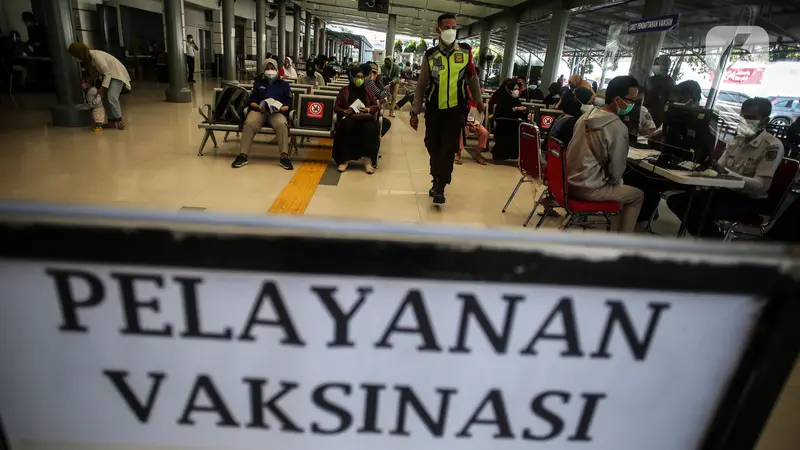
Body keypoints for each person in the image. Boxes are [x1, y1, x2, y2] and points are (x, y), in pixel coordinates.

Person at [666, 98, 784, 238]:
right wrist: (706, 168)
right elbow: (719, 167)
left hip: (748, 199)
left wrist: (727, 174)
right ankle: (711, 240)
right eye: (743, 116)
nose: (745, 121)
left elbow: (761, 185)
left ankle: (713, 244)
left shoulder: (772, 145)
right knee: (678, 201)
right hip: (724, 192)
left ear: (765, 121)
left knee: (701, 211)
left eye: (751, 118)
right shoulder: (738, 140)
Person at [410, 13, 484, 205]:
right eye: (446, 28)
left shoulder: (465, 52)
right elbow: (421, 85)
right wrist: (414, 111)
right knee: (432, 145)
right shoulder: (431, 55)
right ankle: (436, 178)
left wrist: (479, 100)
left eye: (453, 27)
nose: (451, 31)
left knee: (448, 148)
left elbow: (473, 78)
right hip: (434, 109)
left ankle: (440, 186)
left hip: (456, 110)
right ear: (438, 29)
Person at [566, 75, 644, 233]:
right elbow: (616, 171)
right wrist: (615, 180)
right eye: (632, 100)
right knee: (637, 195)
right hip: (588, 188)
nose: (633, 104)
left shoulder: (585, 117)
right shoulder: (617, 127)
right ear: (617, 99)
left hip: (566, 182)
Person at [230, 58, 293, 170]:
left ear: (277, 69)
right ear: (264, 70)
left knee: (282, 125)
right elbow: (251, 101)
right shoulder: (259, 83)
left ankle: (284, 156)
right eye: (267, 68)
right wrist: (258, 107)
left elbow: (288, 104)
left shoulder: (284, 85)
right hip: (260, 110)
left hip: (277, 112)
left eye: (272, 68)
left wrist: (279, 109)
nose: (270, 71)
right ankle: (243, 155)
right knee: (249, 123)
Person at [68, 42, 131, 130]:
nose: (76, 58)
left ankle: (119, 120)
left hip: (117, 73)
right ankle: (111, 121)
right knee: (104, 98)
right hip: (109, 75)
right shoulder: (88, 59)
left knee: (111, 97)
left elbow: (107, 73)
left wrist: (102, 88)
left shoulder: (96, 56)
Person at [333, 67, 380, 174]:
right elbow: (336, 106)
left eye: (361, 77)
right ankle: (344, 161)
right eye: (357, 77)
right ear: (352, 78)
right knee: (346, 127)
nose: (359, 79)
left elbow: (376, 106)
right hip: (349, 117)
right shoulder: (344, 90)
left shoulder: (368, 90)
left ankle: (368, 162)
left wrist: (368, 109)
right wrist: (344, 111)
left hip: (365, 117)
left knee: (369, 128)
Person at [490, 78, 527, 161]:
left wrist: (523, 110)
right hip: (502, 122)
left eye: (518, 89)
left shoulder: (516, 99)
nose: (517, 91)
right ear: (509, 89)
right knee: (509, 129)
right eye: (515, 89)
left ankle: (513, 154)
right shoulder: (502, 98)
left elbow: (520, 111)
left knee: (518, 128)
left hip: (514, 123)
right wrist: (515, 109)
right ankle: (500, 154)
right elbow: (501, 112)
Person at [643, 55, 675, 128]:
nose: (655, 66)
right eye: (655, 64)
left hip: (656, 115)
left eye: (657, 64)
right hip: (656, 115)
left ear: (665, 66)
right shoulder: (671, 81)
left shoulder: (651, 80)